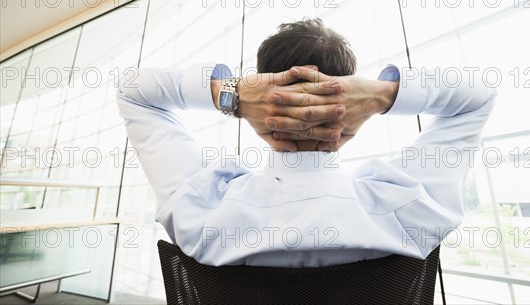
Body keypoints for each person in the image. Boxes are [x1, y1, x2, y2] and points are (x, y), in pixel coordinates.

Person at [115, 18, 497, 267]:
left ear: (260, 93)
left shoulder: (199, 209)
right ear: (350, 101)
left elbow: (132, 91)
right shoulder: (414, 208)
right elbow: (478, 97)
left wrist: (230, 93)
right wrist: (383, 94)